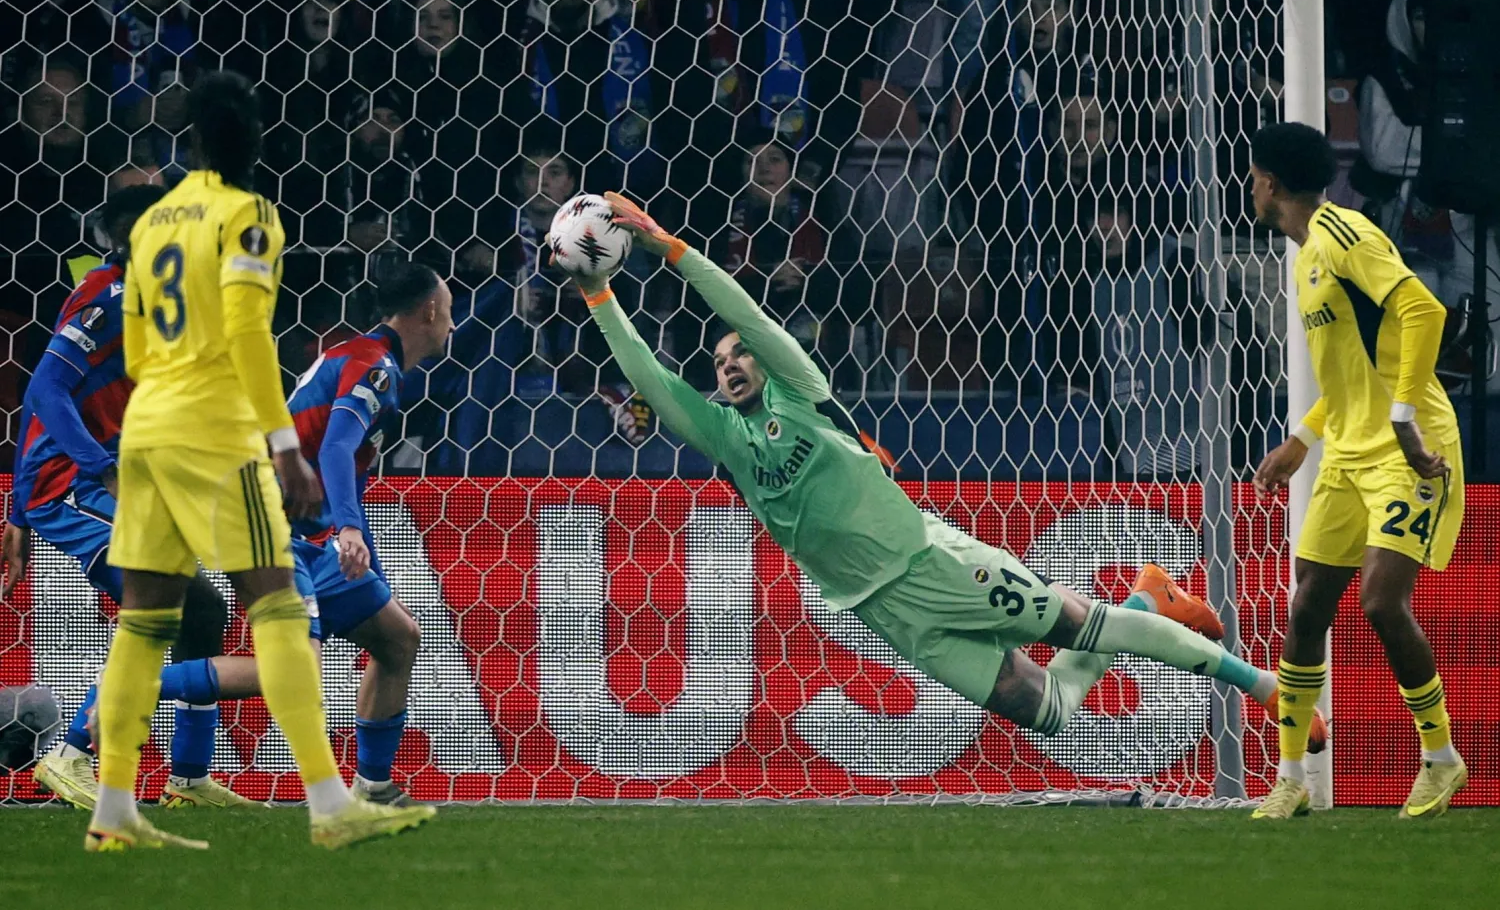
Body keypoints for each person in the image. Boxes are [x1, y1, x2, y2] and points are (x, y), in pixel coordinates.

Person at [570, 192, 1327, 753]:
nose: (730, 363)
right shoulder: (730, 441)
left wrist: (672, 249)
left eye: (739, 355)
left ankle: (1267, 688)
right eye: (719, 361)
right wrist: (598, 293)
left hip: (933, 560)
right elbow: (655, 384)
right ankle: (1148, 594)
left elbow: (753, 317)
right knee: (1052, 710)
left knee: (1085, 625)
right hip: (882, 610)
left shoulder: (800, 392)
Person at [85, 70, 432, 850]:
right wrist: (285, 448)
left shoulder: (154, 222)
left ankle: (112, 809)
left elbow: (136, 341)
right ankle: (331, 805)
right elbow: (246, 333)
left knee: (145, 619)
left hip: (146, 427)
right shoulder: (247, 214)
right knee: (277, 608)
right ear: (249, 141)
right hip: (214, 428)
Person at [4, 185, 262, 810]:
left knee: (200, 613)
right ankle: (70, 756)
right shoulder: (111, 297)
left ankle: (189, 776)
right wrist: (97, 472)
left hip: (91, 480)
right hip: (71, 484)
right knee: (170, 598)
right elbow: (44, 391)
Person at [1248, 122, 1466, 821]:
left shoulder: (1343, 234)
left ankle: (1440, 758)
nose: (1251, 188)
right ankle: (1292, 779)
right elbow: (1348, 374)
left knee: (1378, 602)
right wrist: (1303, 439)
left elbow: (1424, 309)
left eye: (1254, 176)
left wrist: (1403, 420)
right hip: (1347, 447)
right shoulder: (1307, 255)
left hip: (1412, 444)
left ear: (1270, 182)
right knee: (1307, 606)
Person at [285, 262, 455, 806]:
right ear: (429, 310)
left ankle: (373, 786)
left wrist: (367, 553)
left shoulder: (360, 357)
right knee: (279, 670)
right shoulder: (374, 365)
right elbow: (335, 447)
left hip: (301, 527)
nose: (451, 323)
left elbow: (339, 461)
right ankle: (90, 725)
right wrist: (350, 530)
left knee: (397, 638)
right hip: (280, 531)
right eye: (448, 310)